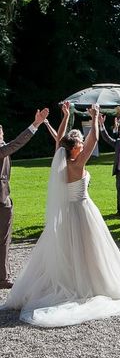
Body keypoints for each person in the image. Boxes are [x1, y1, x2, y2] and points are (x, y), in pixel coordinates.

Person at [3, 103, 120, 327]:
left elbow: (61, 137)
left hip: (67, 212)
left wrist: (66, 116)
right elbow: (95, 140)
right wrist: (96, 116)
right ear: (75, 148)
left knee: (70, 248)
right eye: (80, 143)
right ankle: (88, 284)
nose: (82, 143)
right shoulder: (78, 164)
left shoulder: (60, 160)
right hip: (82, 209)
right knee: (89, 248)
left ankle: (72, 279)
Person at [0, 108, 50, 289]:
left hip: (4, 199)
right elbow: (16, 143)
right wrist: (35, 124)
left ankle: (3, 276)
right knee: (3, 240)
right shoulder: (2, 149)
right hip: (1, 201)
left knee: (4, 239)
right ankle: (3, 278)